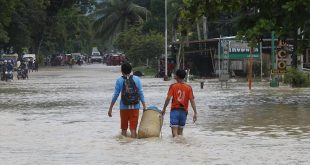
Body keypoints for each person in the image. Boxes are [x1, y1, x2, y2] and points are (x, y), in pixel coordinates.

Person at [108, 62, 146, 138]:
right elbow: (140, 93)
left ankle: (124, 147)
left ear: (121, 71)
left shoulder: (119, 80)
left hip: (124, 107)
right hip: (135, 107)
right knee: (133, 129)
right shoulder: (137, 79)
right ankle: (134, 147)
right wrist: (144, 106)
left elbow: (116, 95)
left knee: (124, 129)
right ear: (131, 70)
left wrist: (110, 108)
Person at [162, 69, 197, 137]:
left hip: (175, 111)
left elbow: (168, 98)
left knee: (174, 135)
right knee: (180, 134)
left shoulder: (173, 86)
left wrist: (164, 108)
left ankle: (175, 147)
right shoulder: (189, 88)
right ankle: (181, 146)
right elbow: (192, 101)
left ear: (177, 76)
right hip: (184, 112)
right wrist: (195, 112)